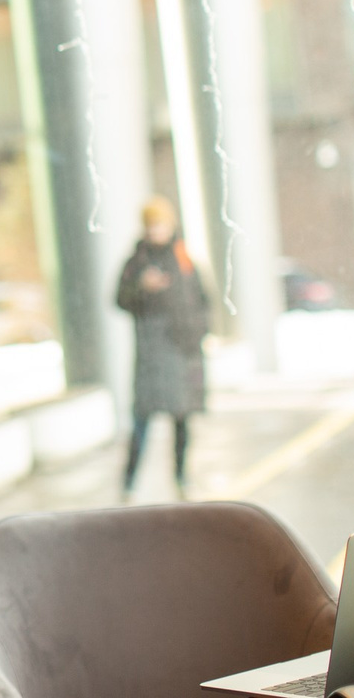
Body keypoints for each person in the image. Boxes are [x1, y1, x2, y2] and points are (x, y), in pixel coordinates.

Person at [116, 196, 210, 499]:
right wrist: (142, 288)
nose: (156, 230)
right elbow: (119, 298)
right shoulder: (137, 262)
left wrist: (197, 334)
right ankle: (129, 483)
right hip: (152, 355)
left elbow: (202, 300)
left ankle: (182, 478)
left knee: (182, 421)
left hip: (182, 351)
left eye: (160, 224)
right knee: (142, 421)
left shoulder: (183, 259)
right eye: (151, 225)